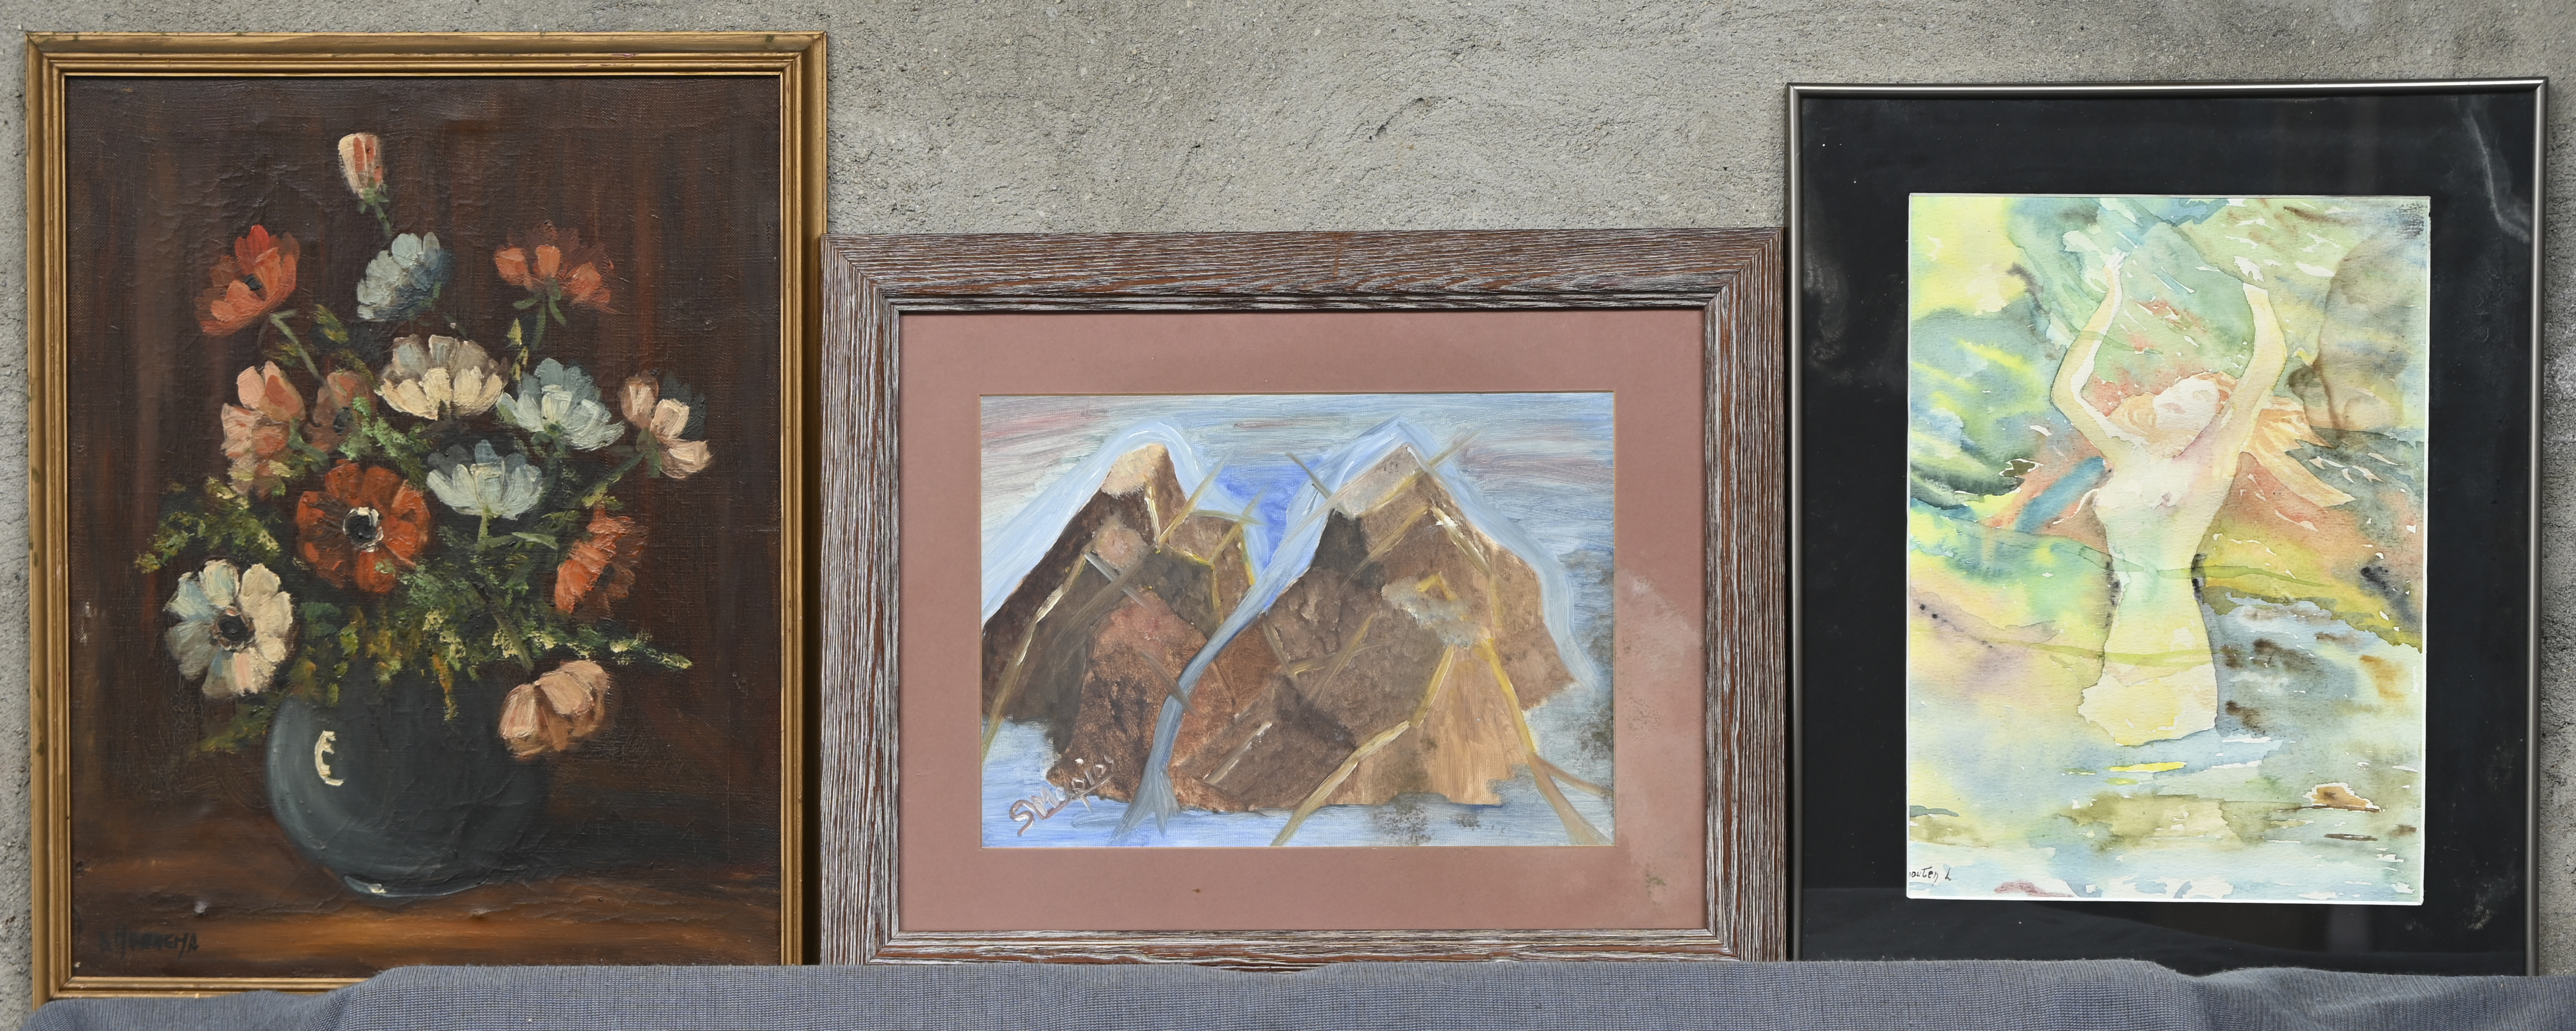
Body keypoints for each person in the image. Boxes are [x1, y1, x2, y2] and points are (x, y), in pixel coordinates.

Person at [2050, 250, 2289, 746]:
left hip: (2170, 627)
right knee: (2117, 749)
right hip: (2127, 621)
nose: (2174, 398)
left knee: (2167, 751)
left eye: (2194, 399)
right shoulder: (2128, 455)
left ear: (2210, 421)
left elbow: (2267, 366)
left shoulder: (2209, 463)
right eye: (2175, 392)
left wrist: (2259, 295)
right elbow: (2065, 394)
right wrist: (2111, 297)